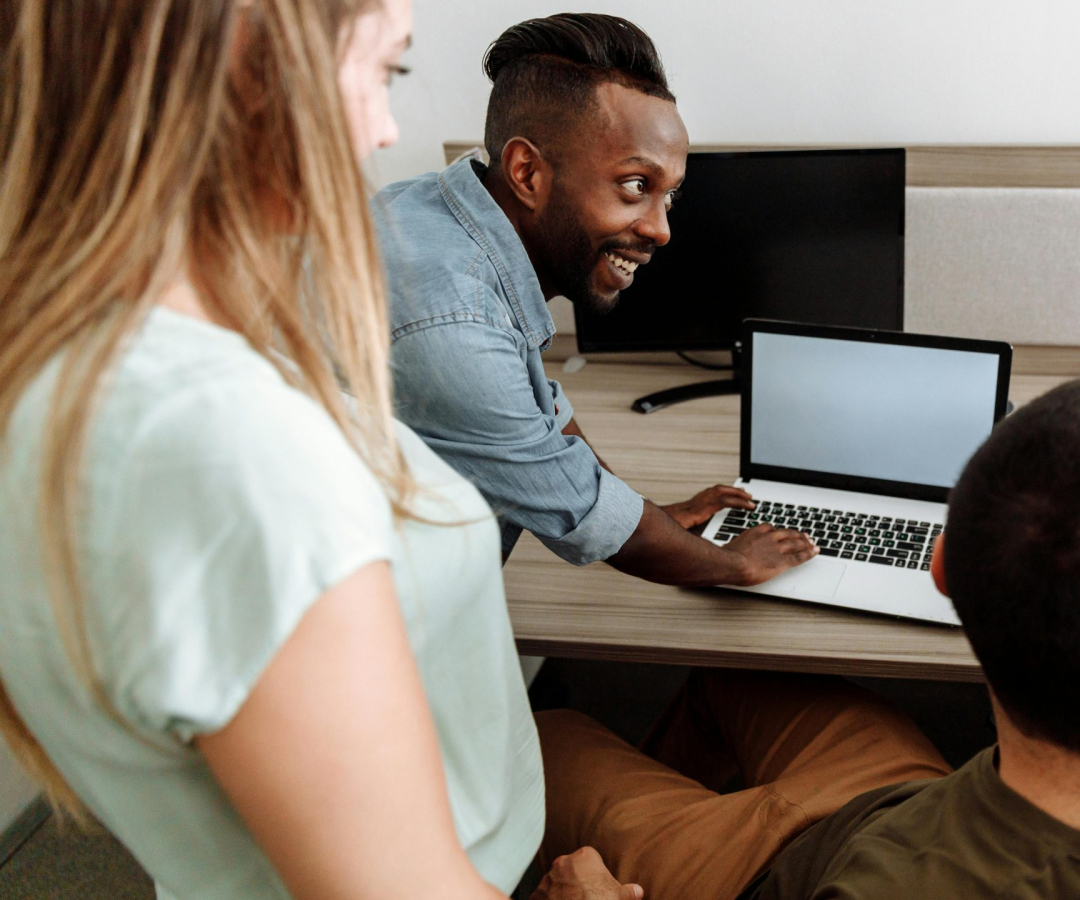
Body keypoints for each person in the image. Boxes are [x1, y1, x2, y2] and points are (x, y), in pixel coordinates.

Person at [0, 2, 627, 897]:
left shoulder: (87, 362)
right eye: (384, 71)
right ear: (247, 63)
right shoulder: (227, 451)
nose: (385, 129)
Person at [531, 378, 1080, 900]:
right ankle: (681, 812)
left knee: (552, 734)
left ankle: (673, 853)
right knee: (733, 681)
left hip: (791, 869)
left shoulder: (896, 889)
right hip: (915, 807)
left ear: (943, 572)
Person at [371, 14, 814, 587]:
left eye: (669, 196)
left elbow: (541, 420)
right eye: (635, 185)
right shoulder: (457, 322)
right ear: (527, 172)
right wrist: (737, 564)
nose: (661, 230)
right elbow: (586, 518)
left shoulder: (430, 210)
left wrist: (651, 515)